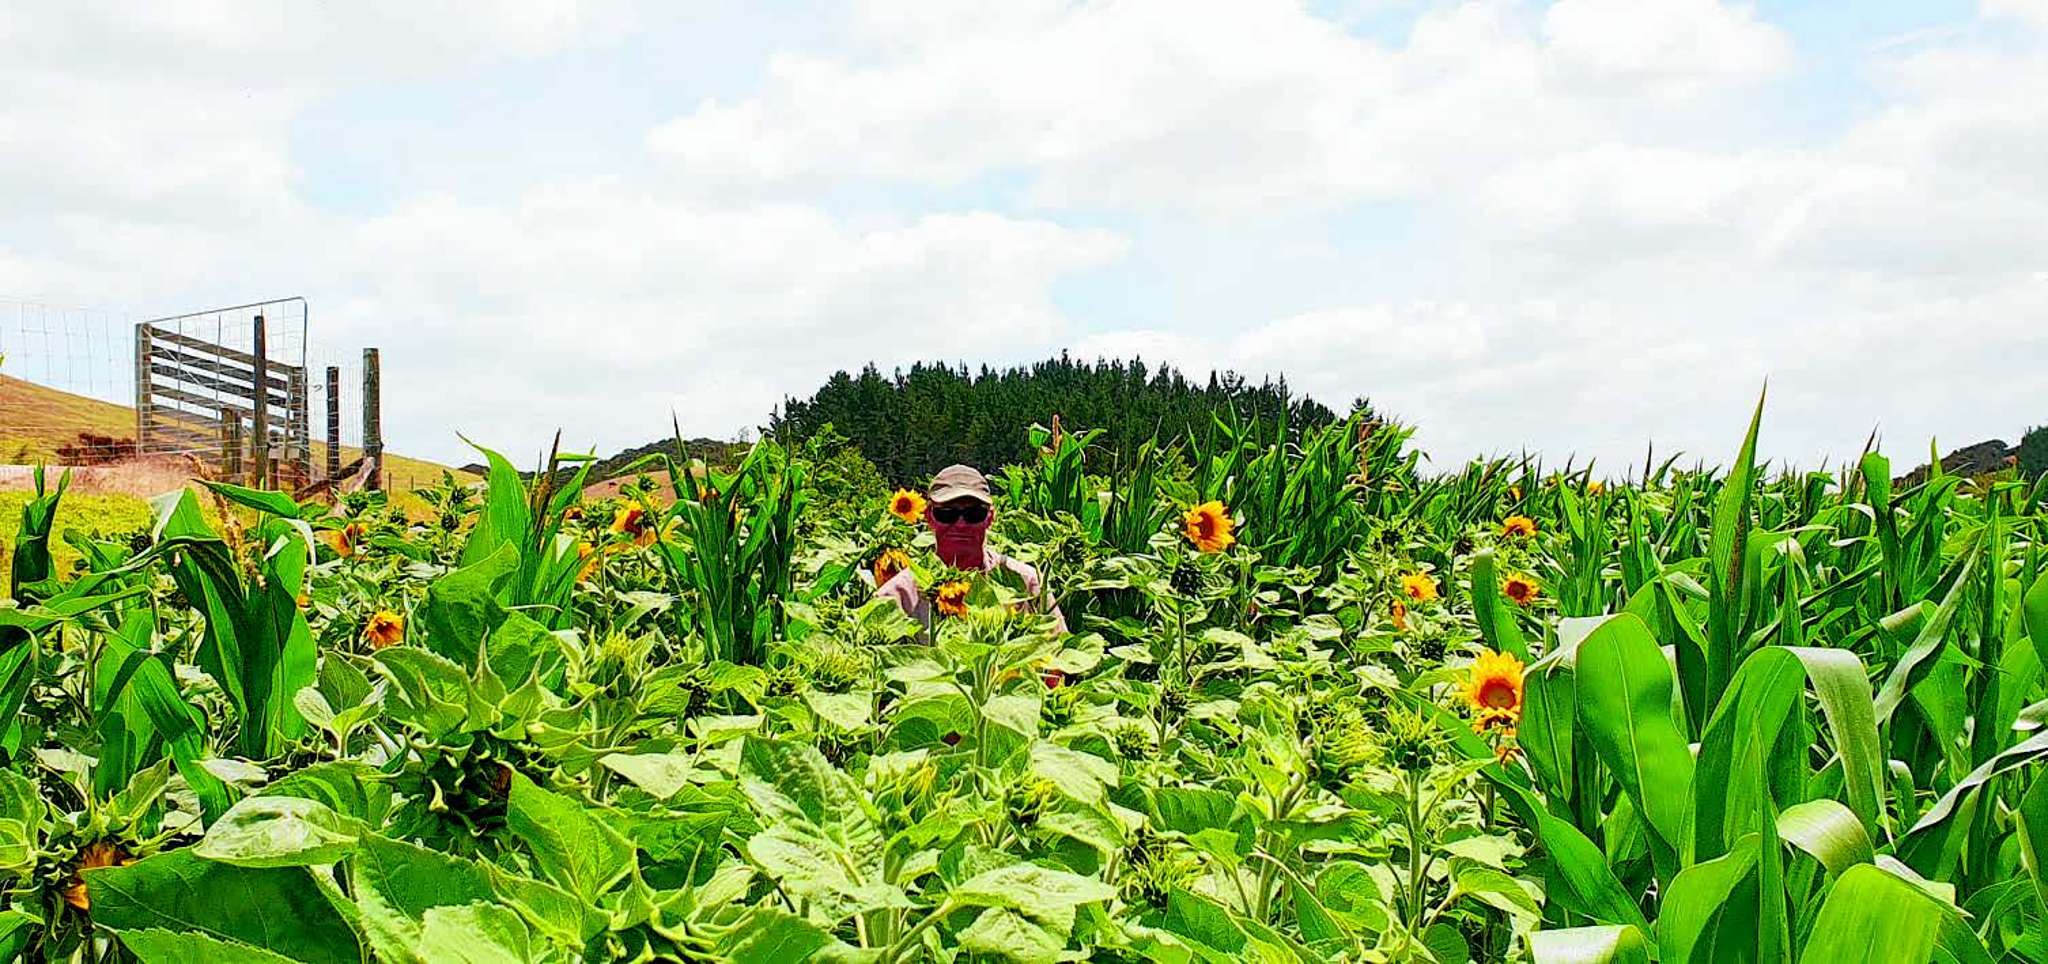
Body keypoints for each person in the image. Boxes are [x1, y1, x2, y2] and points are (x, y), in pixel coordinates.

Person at [875, 464, 1067, 634]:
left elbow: (1058, 655)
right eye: (946, 514)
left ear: (990, 517)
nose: (960, 524)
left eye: (974, 513)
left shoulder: (1025, 582)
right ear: (929, 517)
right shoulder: (899, 596)